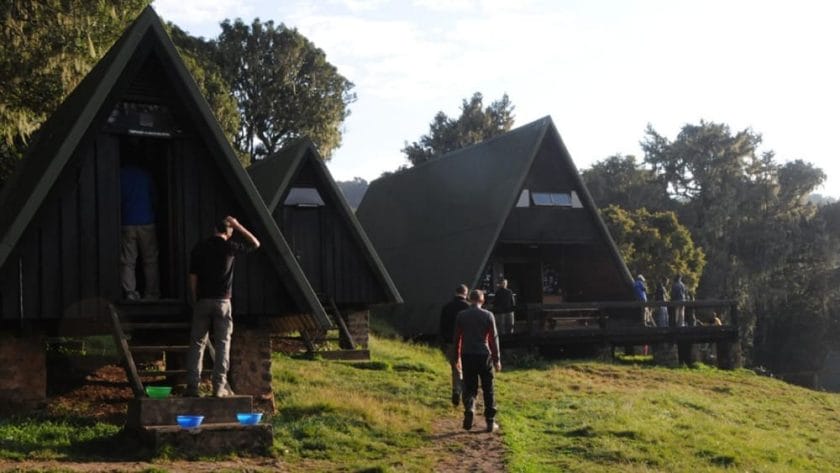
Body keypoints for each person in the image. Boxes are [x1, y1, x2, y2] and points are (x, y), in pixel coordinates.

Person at [185, 216, 260, 398]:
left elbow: (193, 276)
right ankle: (218, 388)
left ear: (214, 229)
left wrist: (195, 298)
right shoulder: (230, 248)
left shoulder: (200, 247)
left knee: (197, 344)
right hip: (223, 302)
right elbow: (255, 244)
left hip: (203, 301)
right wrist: (238, 225)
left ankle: (193, 387)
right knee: (223, 344)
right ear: (229, 232)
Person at [454, 289, 501, 433]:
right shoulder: (488, 315)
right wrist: (496, 359)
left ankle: (470, 408)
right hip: (483, 354)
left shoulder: (461, 315)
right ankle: (490, 421)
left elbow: (457, 338)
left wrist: (457, 357)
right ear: (482, 300)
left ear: (469, 299)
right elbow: (494, 338)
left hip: (467, 354)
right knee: (488, 387)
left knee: (470, 386)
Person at [119, 151, 160, 301]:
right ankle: (152, 294)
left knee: (128, 261)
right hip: (147, 221)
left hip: (127, 222)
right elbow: (154, 198)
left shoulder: (120, 175)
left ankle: (130, 292)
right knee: (150, 260)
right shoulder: (145, 176)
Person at [439, 284, 470, 406]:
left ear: (455, 292)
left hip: (450, 342)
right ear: (466, 293)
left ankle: (456, 390)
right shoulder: (468, 307)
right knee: (467, 368)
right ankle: (466, 394)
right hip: (466, 342)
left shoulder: (446, 307)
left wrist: (443, 343)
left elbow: (442, 327)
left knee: (456, 368)